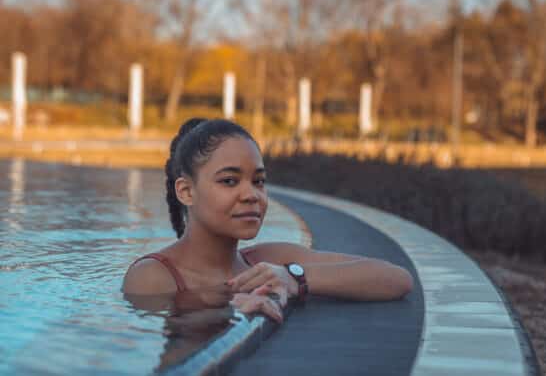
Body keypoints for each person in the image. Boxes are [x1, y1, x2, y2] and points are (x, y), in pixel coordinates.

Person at [122, 118, 414, 323]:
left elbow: (396, 279)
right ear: (186, 191)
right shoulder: (153, 276)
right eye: (229, 180)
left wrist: (295, 279)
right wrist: (225, 313)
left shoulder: (269, 260)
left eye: (258, 181)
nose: (252, 195)